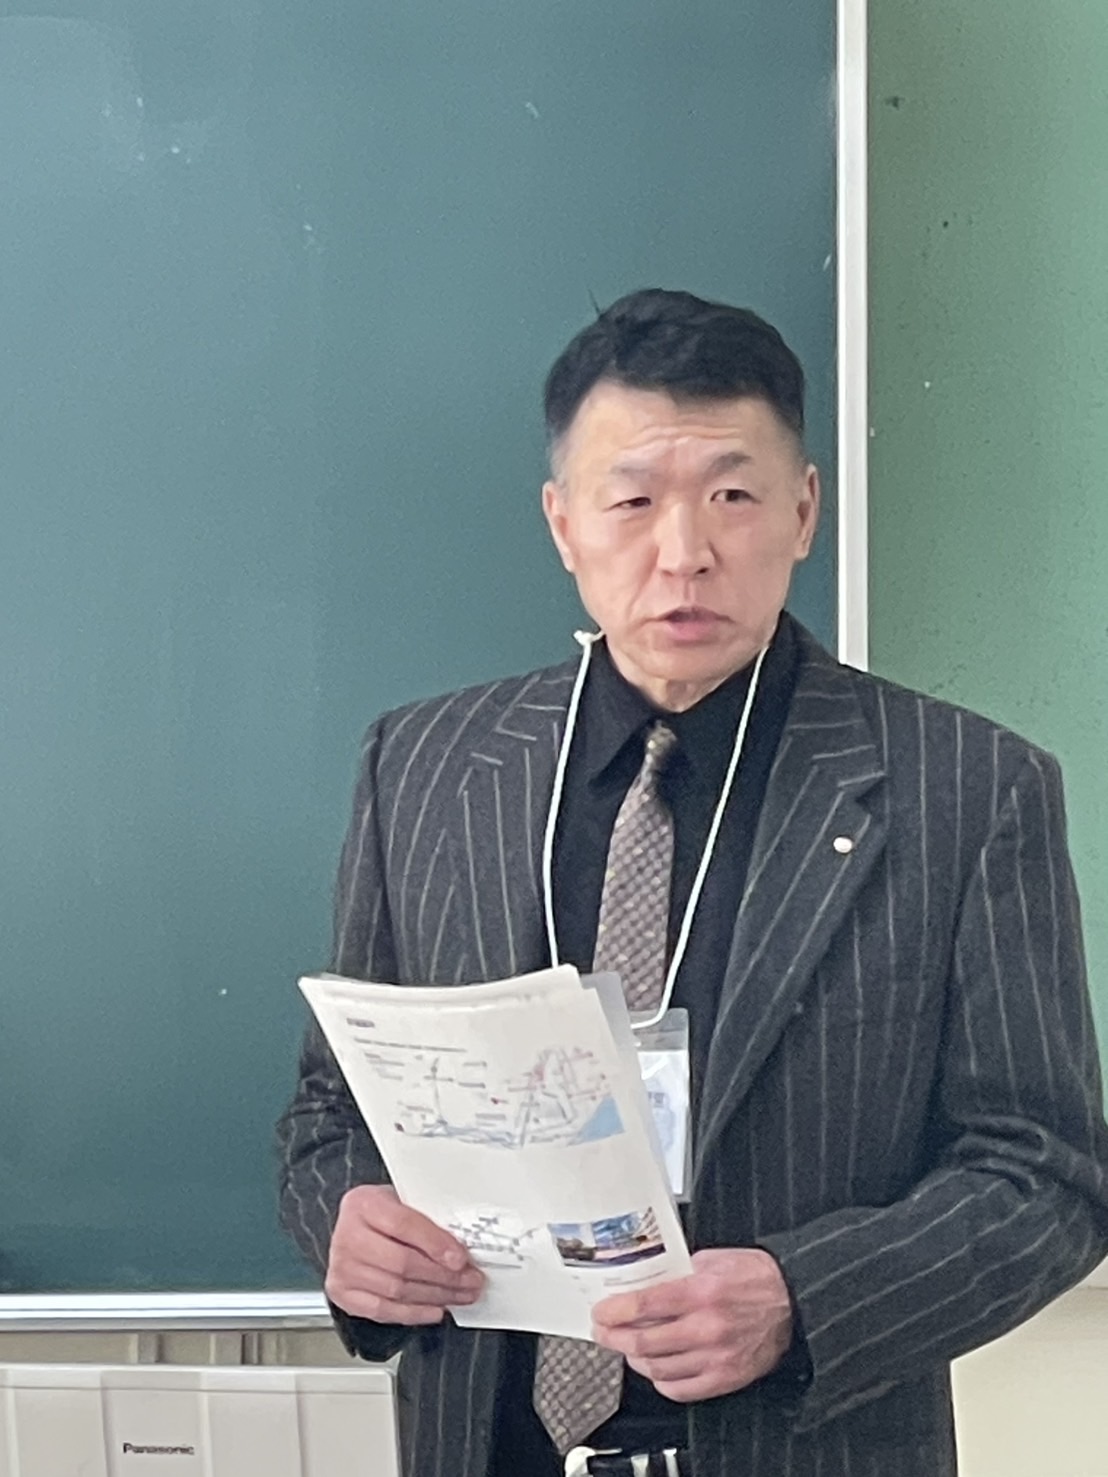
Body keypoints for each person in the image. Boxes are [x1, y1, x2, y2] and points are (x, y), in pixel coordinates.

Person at [276, 289, 1108, 1477]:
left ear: (804, 510)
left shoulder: (966, 789)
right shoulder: (424, 768)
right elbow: (331, 1108)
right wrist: (344, 1221)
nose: (683, 553)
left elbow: (1049, 1175)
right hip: (483, 1443)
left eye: (731, 495)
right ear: (564, 524)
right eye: (631, 501)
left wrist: (802, 1299)